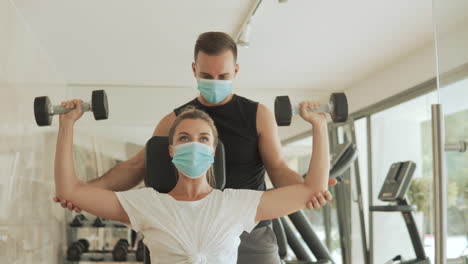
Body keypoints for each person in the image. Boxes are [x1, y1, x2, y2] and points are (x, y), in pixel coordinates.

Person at [54, 31, 336, 263]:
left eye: (223, 77)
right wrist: (83, 191)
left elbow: (278, 168)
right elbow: (135, 167)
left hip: (248, 226)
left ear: (235, 71)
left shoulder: (258, 115)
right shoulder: (174, 121)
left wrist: (307, 189)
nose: (215, 83)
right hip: (180, 224)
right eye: (207, 76)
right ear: (194, 70)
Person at [55, 101, 330, 264]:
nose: (194, 145)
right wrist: (66, 126)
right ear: (171, 150)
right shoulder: (146, 203)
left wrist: (319, 126)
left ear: (213, 151)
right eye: (184, 138)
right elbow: (70, 190)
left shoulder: (237, 203)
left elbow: (311, 190)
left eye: (203, 139)